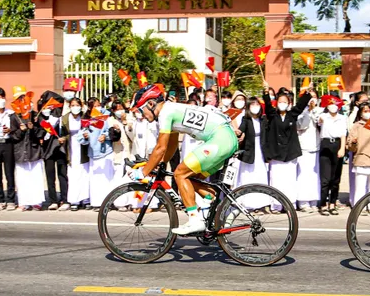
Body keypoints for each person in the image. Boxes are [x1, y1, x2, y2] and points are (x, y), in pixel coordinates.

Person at [134, 88, 240, 235]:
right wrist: (161, 163)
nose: (141, 115)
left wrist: (143, 172)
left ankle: (194, 220)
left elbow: (160, 147)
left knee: (179, 174)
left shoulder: (165, 112)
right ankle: (227, 208)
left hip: (220, 139)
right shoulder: (171, 109)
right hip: (225, 138)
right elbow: (170, 146)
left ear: (151, 104)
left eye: (141, 110)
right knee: (191, 179)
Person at [261, 83, 312, 206]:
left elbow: (300, 106)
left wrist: (307, 93)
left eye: (285, 101)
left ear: (289, 103)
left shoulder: (291, 115)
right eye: (280, 101)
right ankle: (276, 205)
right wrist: (266, 92)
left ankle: (290, 203)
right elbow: (267, 106)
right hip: (276, 153)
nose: (282, 103)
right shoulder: (273, 115)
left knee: (289, 180)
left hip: (290, 153)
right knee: (276, 180)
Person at [346, 103, 370, 212]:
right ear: (360, 113)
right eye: (364, 111)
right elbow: (349, 145)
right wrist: (353, 142)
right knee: (360, 187)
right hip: (360, 159)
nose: (367, 113)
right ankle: (359, 207)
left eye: (368, 110)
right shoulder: (356, 126)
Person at [235, 96, 271, 210]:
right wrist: (238, 132)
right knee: (248, 175)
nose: (255, 107)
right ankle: (247, 203)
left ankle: (261, 203)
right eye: (252, 105)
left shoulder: (263, 119)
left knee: (260, 175)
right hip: (249, 151)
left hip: (261, 151)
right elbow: (241, 129)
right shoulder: (246, 119)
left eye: (257, 104)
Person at [79, 109, 118, 210]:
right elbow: (81, 139)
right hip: (93, 155)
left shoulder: (106, 120)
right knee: (95, 181)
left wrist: (105, 136)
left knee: (107, 179)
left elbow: (114, 134)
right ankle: (97, 203)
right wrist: (85, 137)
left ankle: (109, 202)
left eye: (97, 106)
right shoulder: (87, 122)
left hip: (106, 153)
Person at [12, 100, 46, 211]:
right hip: (21, 152)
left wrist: (33, 129)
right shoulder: (14, 117)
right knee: (22, 178)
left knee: (35, 177)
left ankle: (37, 201)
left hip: (34, 151)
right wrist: (21, 131)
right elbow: (12, 136)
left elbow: (42, 132)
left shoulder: (36, 116)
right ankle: (23, 202)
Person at [317, 94, 347, 215]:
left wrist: (342, 148)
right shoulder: (323, 116)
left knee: (335, 178)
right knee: (325, 179)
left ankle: (333, 203)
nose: (333, 106)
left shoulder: (342, 118)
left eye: (335, 104)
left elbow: (343, 133)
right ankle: (323, 203)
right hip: (325, 145)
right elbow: (318, 120)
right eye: (330, 104)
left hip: (337, 145)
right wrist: (320, 117)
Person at [37, 96, 69, 211]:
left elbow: (67, 132)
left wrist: (64, 138)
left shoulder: (59, 117)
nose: (48, 108)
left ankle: (65, 199)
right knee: (50, 177)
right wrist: (42, 134)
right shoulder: (40, 118)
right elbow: (38, 133)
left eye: (50, 105)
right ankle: (53, 200)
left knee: (62, 175)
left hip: (60, 149)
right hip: (47, 150)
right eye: (45, 105)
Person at [62, 98, 90, 211]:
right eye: (73, 105)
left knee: (84, 173)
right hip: (71, 148)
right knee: (73, 175)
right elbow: (62, 133)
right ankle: (74, 200)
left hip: (83, 148)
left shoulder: (85, 117)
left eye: (77, 105)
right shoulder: (64, 119)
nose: (75, 107)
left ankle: (86, 199)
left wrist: (87, 135)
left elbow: (90, 129)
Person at [295, 94, 322, 212]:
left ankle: (314, 200)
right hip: (304, 147)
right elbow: (301, 125)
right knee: (304, 175)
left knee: (314, 176)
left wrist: (315, 112)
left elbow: (321, 124)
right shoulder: (301, 111)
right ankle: (303, 202)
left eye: (314, 97)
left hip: (316, 146)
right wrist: (308, 111)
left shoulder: (320, 111)